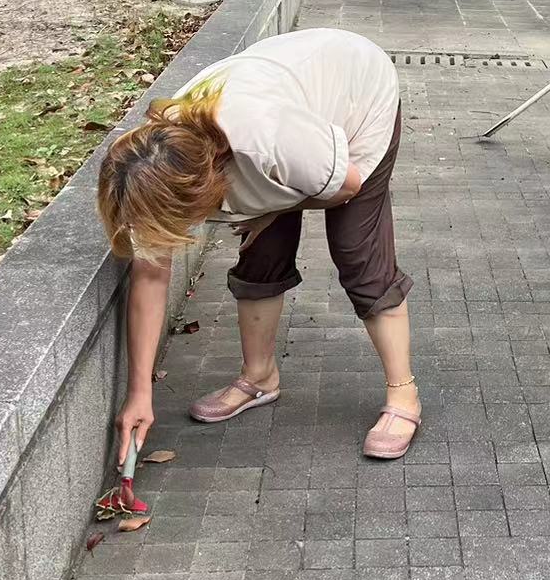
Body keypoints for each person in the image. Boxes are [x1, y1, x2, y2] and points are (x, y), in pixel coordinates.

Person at [96, 28, 419, 480]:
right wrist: (139, 393)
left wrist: (271, 209)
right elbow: (150, 276)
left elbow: (346, 187)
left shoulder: (266, 137)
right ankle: (260, 377)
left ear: (201, 190)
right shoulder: (149, 165)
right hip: (287, 100)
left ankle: (404, 396)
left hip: (357, 92)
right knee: (260, 250)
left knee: (358, 255)